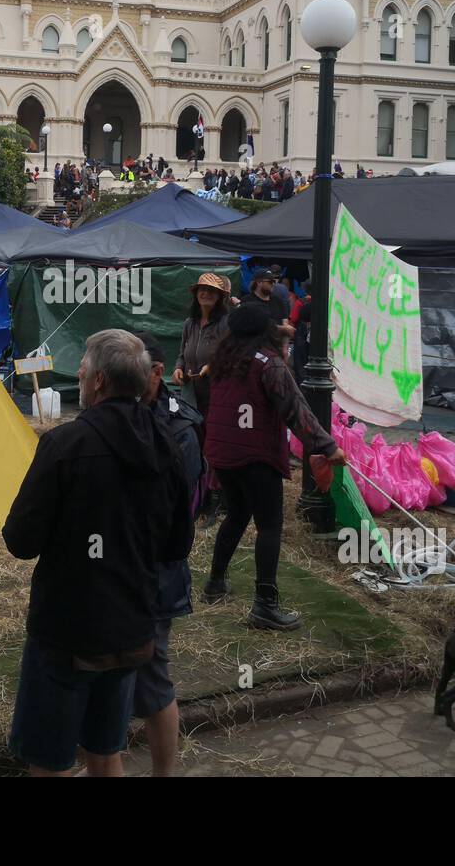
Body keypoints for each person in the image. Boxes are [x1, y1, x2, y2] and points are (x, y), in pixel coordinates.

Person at [2, 330, 191, 777]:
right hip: (131, 627)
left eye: (82, 369)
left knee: (49, 761)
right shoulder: (167, 443)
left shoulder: (64, 446)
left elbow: (20, 541)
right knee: (106, 752)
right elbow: (177, 544)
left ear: (99, 381)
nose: (80, 375)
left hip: (68, 633)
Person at [202, 305, 345, 629]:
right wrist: (328, 446)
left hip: (222, 454)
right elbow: (297, 411)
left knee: (237, 514)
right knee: (269, 525)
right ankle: (265, 605)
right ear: (263, 330)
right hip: (255, 457)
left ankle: (214, 583)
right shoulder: (269, 364)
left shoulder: (223, 362)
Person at [132, 331, 201, 778]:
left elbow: (182, 512)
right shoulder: (114, 412)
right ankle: (104, 761)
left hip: (155, 574)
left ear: (157, 373)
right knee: (111, 675)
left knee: (153, 677)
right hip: (116, 572)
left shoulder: (181, 427)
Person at [172, 273, 232, 419]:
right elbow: (182, 355)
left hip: (215, 391)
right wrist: (178, 368)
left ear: (218, 297)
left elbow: (231, 355)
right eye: (202, 289)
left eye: (211, 290)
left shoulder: (226, 323)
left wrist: (213, 366)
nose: (206, 293)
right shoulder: (189, 323)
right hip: (190, 394)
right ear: (196, 294)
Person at [240, 266, 293, 338]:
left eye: (274, 281)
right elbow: (249, 326)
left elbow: (285, 326)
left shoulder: (278, 301)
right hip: (254, 345)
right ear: (259, 282)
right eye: (270, 282)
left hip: (275, 346)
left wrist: (284, 348)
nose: (273, 284)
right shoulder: (246, 301)